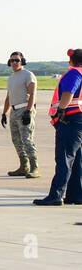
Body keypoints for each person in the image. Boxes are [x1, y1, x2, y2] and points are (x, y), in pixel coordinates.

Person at [34, 48, 82, 205]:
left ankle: (56, 195)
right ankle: (76, 194)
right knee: (76, 158)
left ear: (72, 60)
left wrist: (61, 110)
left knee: (64, 157)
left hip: (71, 120)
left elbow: (68, 92)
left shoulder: (74, 73)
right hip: (79, 121)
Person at [2, 52, 40, 178]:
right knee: (16, 140)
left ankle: (34, 167)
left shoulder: (28, 75)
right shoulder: (11, 77)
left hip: (24, 109)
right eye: (12, 60)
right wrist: (4, 113)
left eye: (17, 60)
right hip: (13, 111)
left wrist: (28, 111)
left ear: (22, 61)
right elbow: (8, 97)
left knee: (27, 140)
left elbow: (33, 94)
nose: (14, 63)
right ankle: (24, 166)